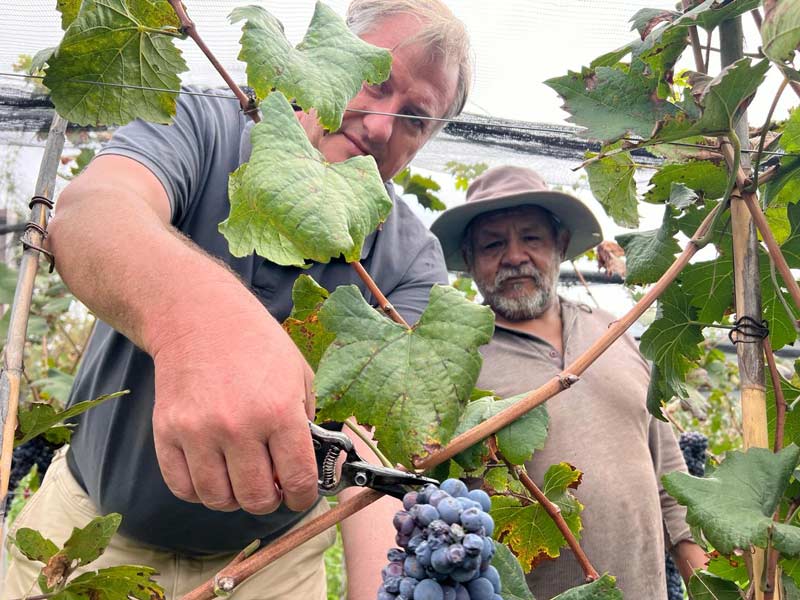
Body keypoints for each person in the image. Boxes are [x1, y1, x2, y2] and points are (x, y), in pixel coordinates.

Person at [2, 2, 472, 599]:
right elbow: (91, 214)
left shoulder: (409, 261)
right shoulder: (207, 124)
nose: (380, 126)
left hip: (271, 566)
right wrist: (198, 322)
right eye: (373, 82)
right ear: (320, 63)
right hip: (83, 529)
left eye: (414, 120)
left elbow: (373, 454)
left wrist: (385, 589)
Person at [430, 165, 707, 598]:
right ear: (469, 259)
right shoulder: (453, 358)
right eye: (493, 243)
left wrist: (706, 586)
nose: (515, 256)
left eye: (531, 238)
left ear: (560, 244)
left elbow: (669, 477)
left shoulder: (615, 332)